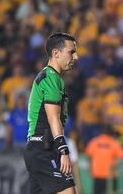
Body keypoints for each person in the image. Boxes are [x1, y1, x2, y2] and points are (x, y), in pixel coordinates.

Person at [23, 32, 79, 194]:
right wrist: (63, 150)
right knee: (68, 191)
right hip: (43, 148)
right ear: (56, 53)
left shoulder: (53, 77)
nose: (76, 57)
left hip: (38, 148)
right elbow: (53, 117)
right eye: (71, 52)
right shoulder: (50, 77)